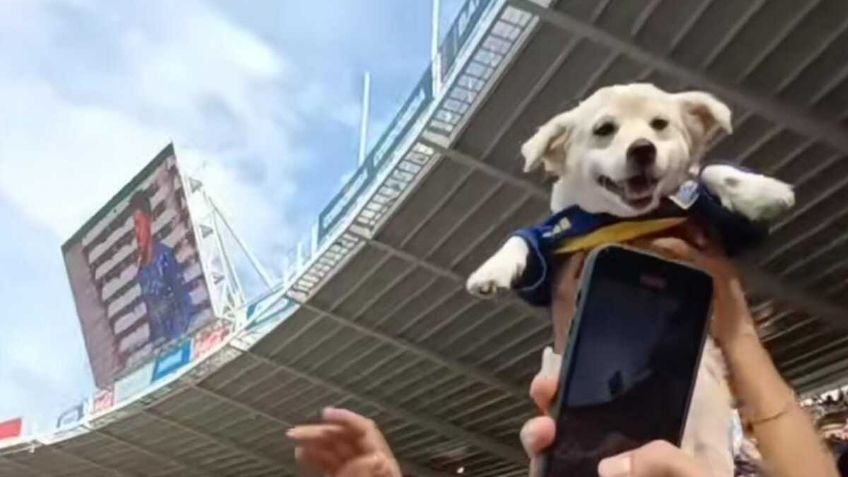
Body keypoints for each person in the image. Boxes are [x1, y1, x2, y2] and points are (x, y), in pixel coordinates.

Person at [288, 227, 839, 477]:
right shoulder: (574, 443)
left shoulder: (721, 439)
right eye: (593, 264)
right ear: (554, 300)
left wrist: (735, 327)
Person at [129, 189, 194, 345]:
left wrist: (177, 337)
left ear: (149, 221)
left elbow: (184, 299)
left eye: (139, 223)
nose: (136, 231)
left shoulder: (164, 256)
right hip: (158, 346)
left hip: (176, 339)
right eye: (134, 226)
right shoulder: (140, 270)